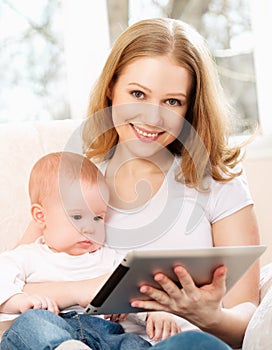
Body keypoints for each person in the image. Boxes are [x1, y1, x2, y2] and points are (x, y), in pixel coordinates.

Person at [16, 17, 260, 349]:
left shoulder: (218, 181)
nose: (152, 118)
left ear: (190, 108)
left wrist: (209, 317)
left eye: (172, 101)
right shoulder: (78, 177)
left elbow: (250, 319)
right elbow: (14, 290)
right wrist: (94, 288)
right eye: (138, 94)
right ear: (111, 89)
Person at [0, 151, 182, 349]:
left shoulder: (111, 259)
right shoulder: (27, 256)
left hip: (104, 332)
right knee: (33, 324)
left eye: (98, 218)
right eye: (77, 216)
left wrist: (155, 312)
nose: (90, 228)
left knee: (131, 342)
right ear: (40, 216)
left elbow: (140, 287)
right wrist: (19, 301)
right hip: (52, 327)